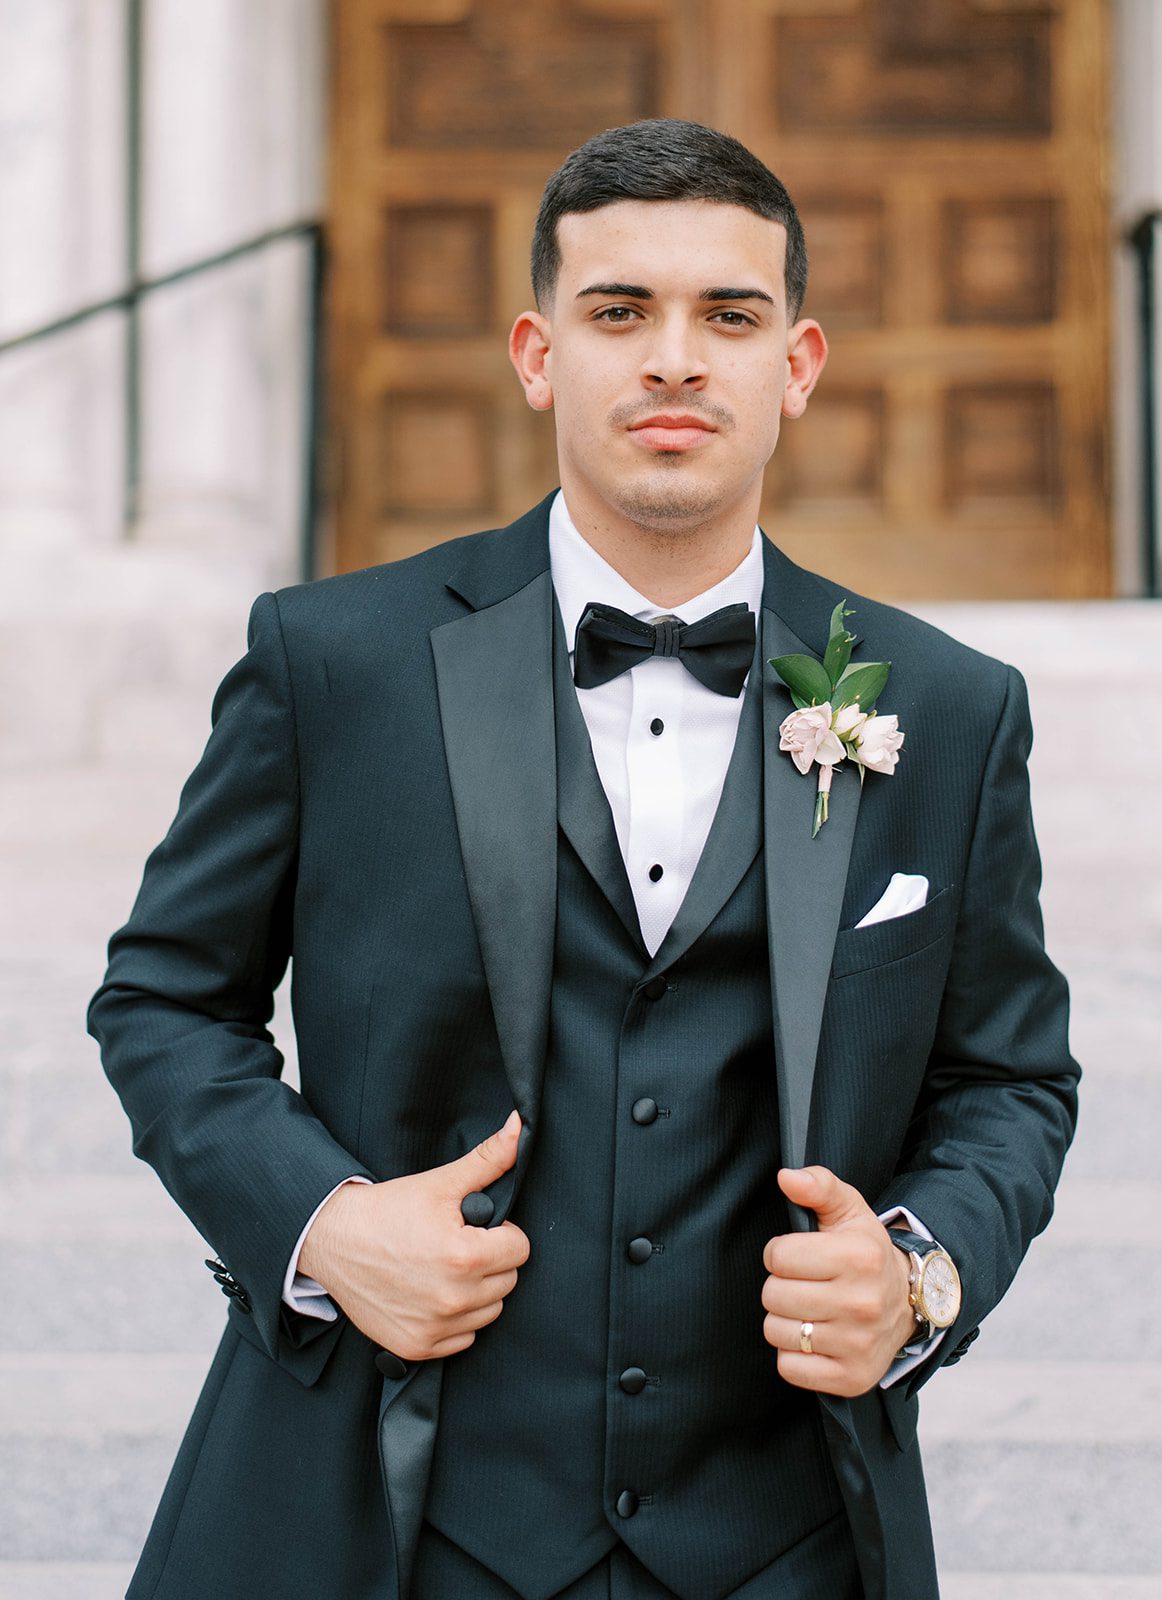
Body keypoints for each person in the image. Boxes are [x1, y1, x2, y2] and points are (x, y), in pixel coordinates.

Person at [89, 119, 1078, 1600]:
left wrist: (917, 1272)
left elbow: (1009, 1078)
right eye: (619, 312)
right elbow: (163, 1000)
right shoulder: (332, 661)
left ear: (795, 367)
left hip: (789, 1535)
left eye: (726, 317)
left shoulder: (942, 706)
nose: (674, 359)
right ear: (538, 354)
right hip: (387, 1512)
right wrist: (327, 1226)